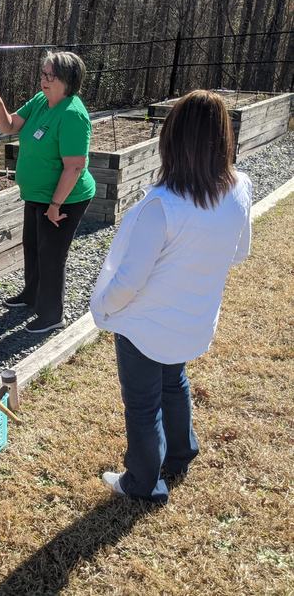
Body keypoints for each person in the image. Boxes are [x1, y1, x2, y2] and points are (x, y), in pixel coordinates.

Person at [90, 90, 252, 503]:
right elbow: (239, 251)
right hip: (191, 318)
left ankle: (143, 483)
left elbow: (128, 281)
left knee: (143, 406)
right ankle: (180, 453)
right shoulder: (239, 189)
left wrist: (104, 306)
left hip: (144, 326)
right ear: (222, 139)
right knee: (173, 383)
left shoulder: (161, 206)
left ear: (172, 140)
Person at [0, 51, 96, 333]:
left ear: (66, 80)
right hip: (36, 195)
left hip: (64, 198)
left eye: (49, 75)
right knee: (33, 247)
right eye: (43, 74)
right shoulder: (41, 101)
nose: (43, 80)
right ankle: (31, 296)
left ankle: (51, 314)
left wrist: (56, 205)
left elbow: (74, 167)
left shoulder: (72, 115)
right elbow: (8, 126)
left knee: (52, 255)